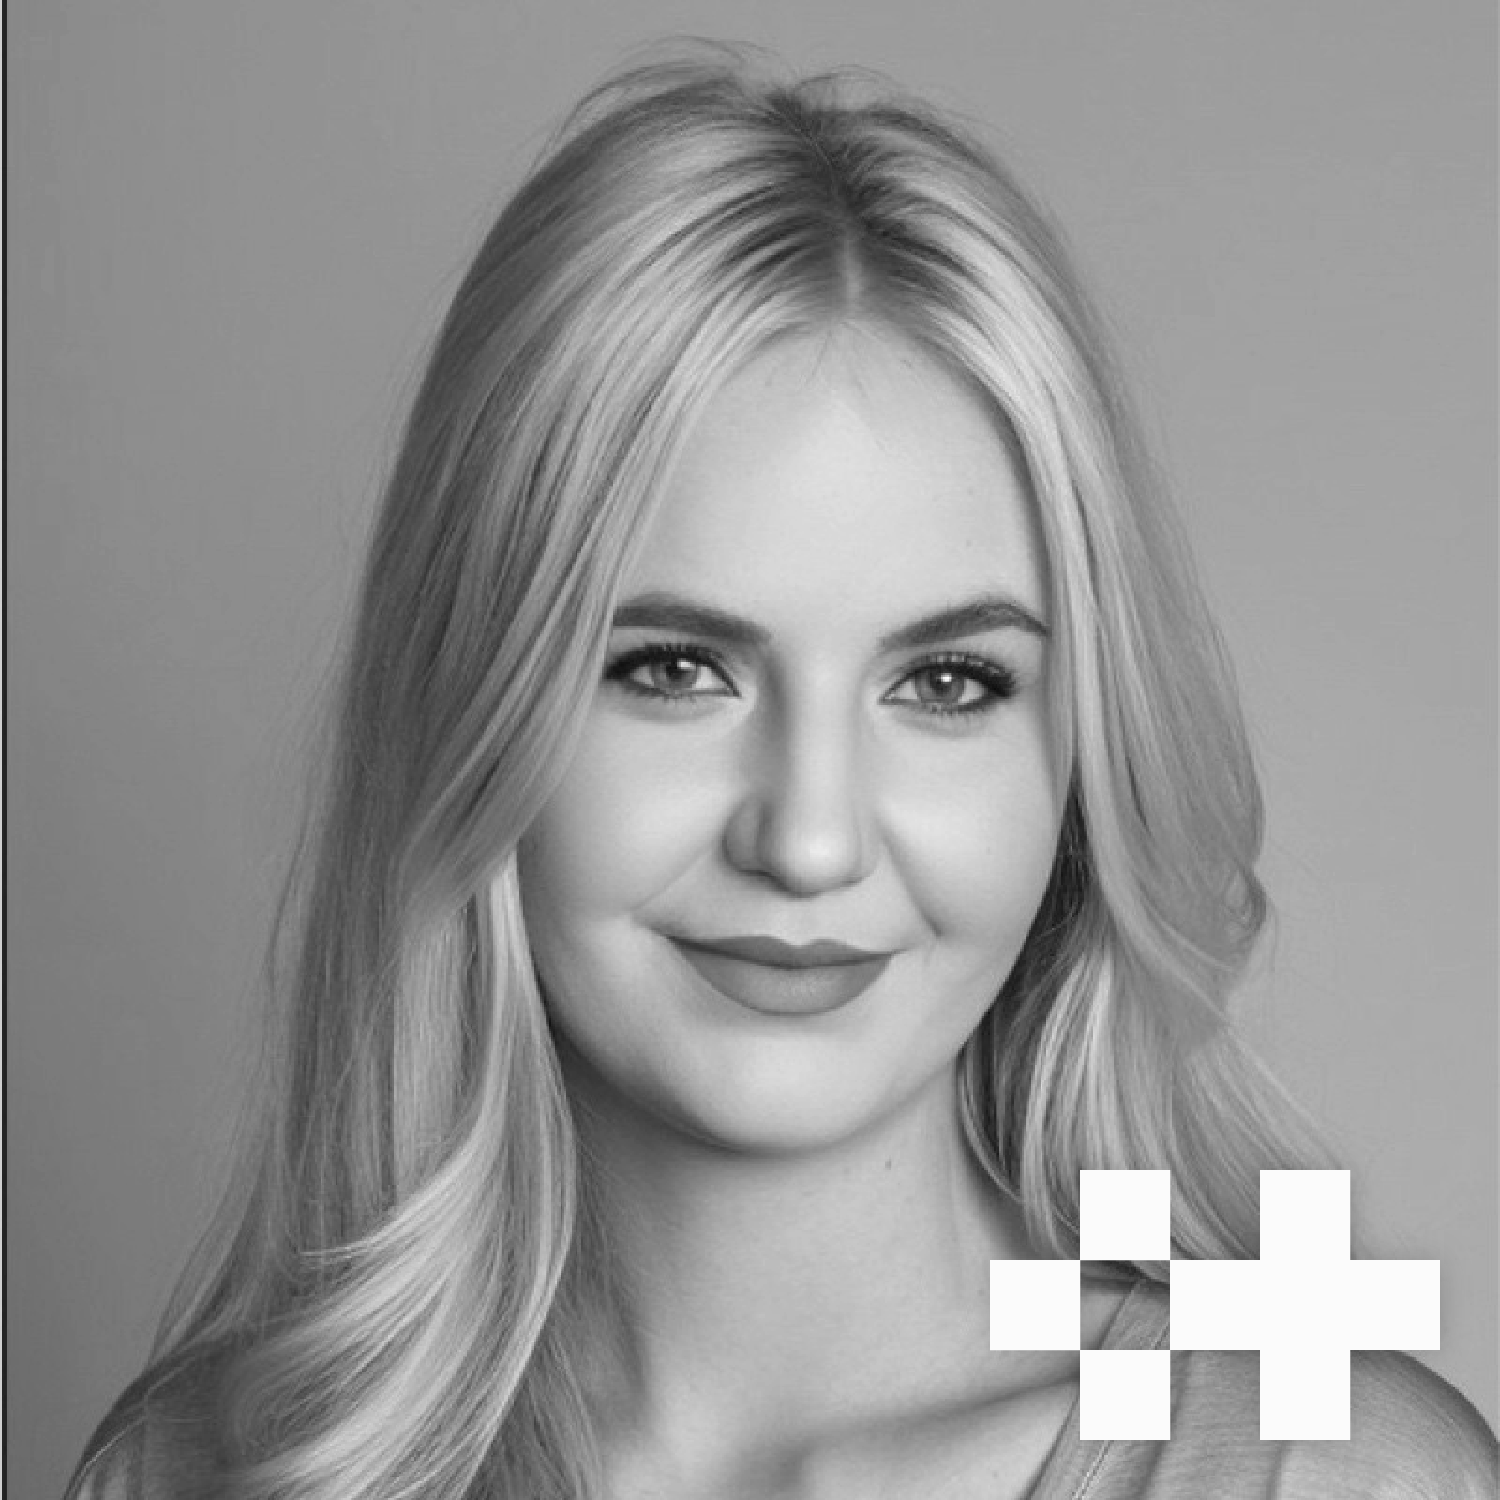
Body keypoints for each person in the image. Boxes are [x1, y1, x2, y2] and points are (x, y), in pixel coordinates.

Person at [67, 47, 1497, 1500]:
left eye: (947, 684)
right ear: (473, 713)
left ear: (1079, 770)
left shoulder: (1323, 1465)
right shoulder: (206, 1468)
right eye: (675, 669)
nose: (808, 840)